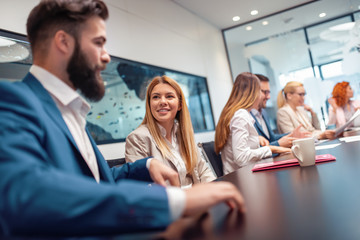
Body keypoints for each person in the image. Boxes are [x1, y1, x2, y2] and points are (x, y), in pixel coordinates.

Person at [0, 0, 245, 236]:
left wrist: (144, 165)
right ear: (63, 42)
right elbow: (27, 193)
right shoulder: (12, 100)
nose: (106, 57)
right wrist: (174, 200)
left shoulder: (71, 111)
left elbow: (94, 183)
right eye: (98, 43)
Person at [125, 76, 216, 187]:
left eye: (169, 96)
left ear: (180, 105)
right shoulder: (137, 138)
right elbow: (142, 188)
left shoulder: (183, 133)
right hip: (169, 202)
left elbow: (204, 172)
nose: (162, 101)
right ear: (149, 105)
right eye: (156, 97)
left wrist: (213, 190)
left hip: (198, 198)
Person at [214, 72, 290, 175]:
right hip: (241, 178)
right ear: (253, 92)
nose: (263, 96)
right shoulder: (241, 115)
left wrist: (257, 138)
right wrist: (270, 149)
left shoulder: (237, 114)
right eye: (260, 91)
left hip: (243, 175)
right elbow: (241, 158)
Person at [250, 74, 309, 148]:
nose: (269, 97)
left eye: (269, 92)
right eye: (265, 92)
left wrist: (291, 135)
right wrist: (278, 144)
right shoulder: (245, 116)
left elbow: (271, 138)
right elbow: (254, 149)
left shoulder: (264, 113)